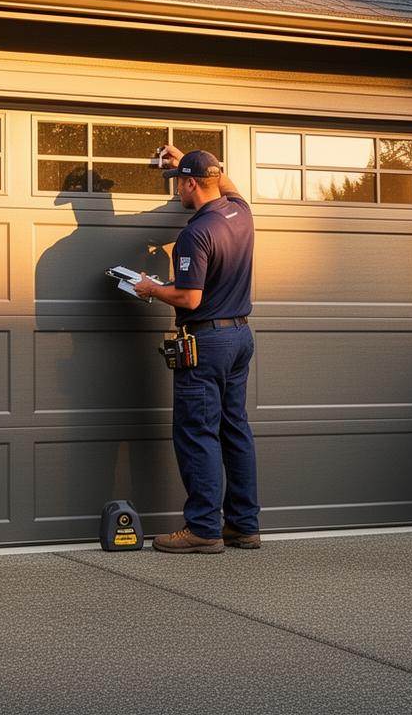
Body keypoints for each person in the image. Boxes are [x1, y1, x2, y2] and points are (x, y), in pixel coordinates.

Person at [132, 146, 261, 554]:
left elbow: (189, 298)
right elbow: (228, 185)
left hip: (206, 341)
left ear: (190, 183)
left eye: (179, 184)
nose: (177, 193)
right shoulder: (240, 213)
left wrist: (150, 288)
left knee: (197, 432)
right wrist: (189, 157)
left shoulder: (196, 232)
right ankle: (243, 525)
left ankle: (204, 527)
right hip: (240, 337)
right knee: (234, 429)